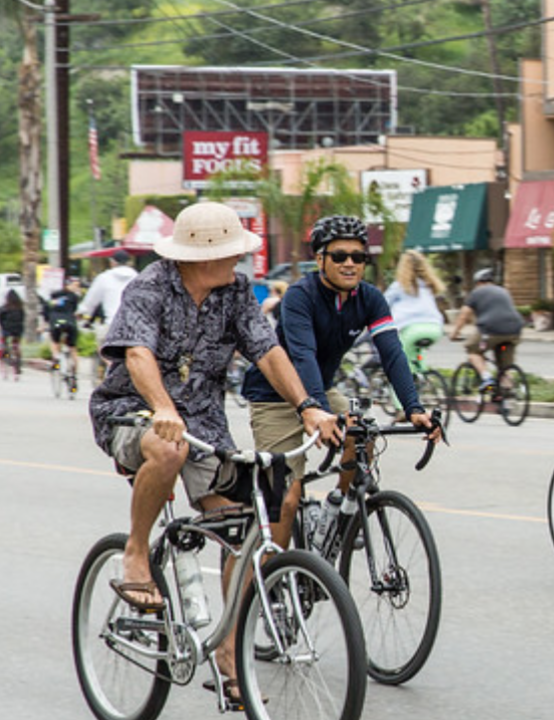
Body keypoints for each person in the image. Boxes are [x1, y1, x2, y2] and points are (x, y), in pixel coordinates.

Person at [88, 202, 342, 704]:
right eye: (231, 253)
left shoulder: (237, 292)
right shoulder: (150, 287)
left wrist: (308, 406)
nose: (238, 260)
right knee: (169, 447)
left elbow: (268, 351)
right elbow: (137, 353)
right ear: (202, 257)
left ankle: (228, 651)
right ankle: (136, 553)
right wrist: (163, 407)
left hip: (203, 422)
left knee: (246, 523)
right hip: (134, 411)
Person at [240, 215, 440, 552]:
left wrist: (414, 408)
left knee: (363, 433)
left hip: (322, 388)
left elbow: (392, 353)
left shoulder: (370, 298)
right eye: (339, 256)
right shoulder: (300, 296)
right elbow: (303, 355)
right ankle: (274, 575)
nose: (350, 263)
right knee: (285, 501)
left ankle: (336, 514)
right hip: (275, 396)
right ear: (320, 259)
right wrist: (318, 411)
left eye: (358, 257)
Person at [448, 268, 524, 389]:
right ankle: (507, 390)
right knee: (504, 366)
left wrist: (454, 333)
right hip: (514, 330)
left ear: (478, 282)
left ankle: (487, 378)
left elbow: (464, 315)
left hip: (491, 328)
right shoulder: (503, 291)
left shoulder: (476, 293)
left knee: (473, 350)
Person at [81, 249, 139, 381]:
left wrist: (82, 313)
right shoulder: (138, 277)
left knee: (102, 345)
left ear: (112, 262)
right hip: (135, 324)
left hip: (112, 323)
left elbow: (90, 302)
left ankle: (111, 367)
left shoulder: (104, 278)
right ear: (129, 262)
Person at [385, 249, 447, 372]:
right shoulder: (429, 286)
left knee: (397, 364)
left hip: (410, 329)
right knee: (415, 354)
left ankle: (404, 382)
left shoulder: (399, 287)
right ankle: (422, 374)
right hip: (435, 328)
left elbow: (382, 304)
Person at [45, 276, 82, 382]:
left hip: (56, 322)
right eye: (75, 285)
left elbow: (47, 309)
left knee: (54, 341)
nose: (76, 287)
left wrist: (46, 321)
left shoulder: (54, 296)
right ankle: (74, 375)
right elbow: (75, 310)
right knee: (73, 348)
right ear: (67, 285)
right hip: (70, 322)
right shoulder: (74, 297)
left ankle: (56, 357)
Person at [0, 289, 24, 374]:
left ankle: (6, 355)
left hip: (7, 329)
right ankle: (18, 362)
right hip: (18, 329)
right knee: (16, 345)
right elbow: (22, 318)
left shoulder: (4, 308)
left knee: (4, 343)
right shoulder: (20, 308)